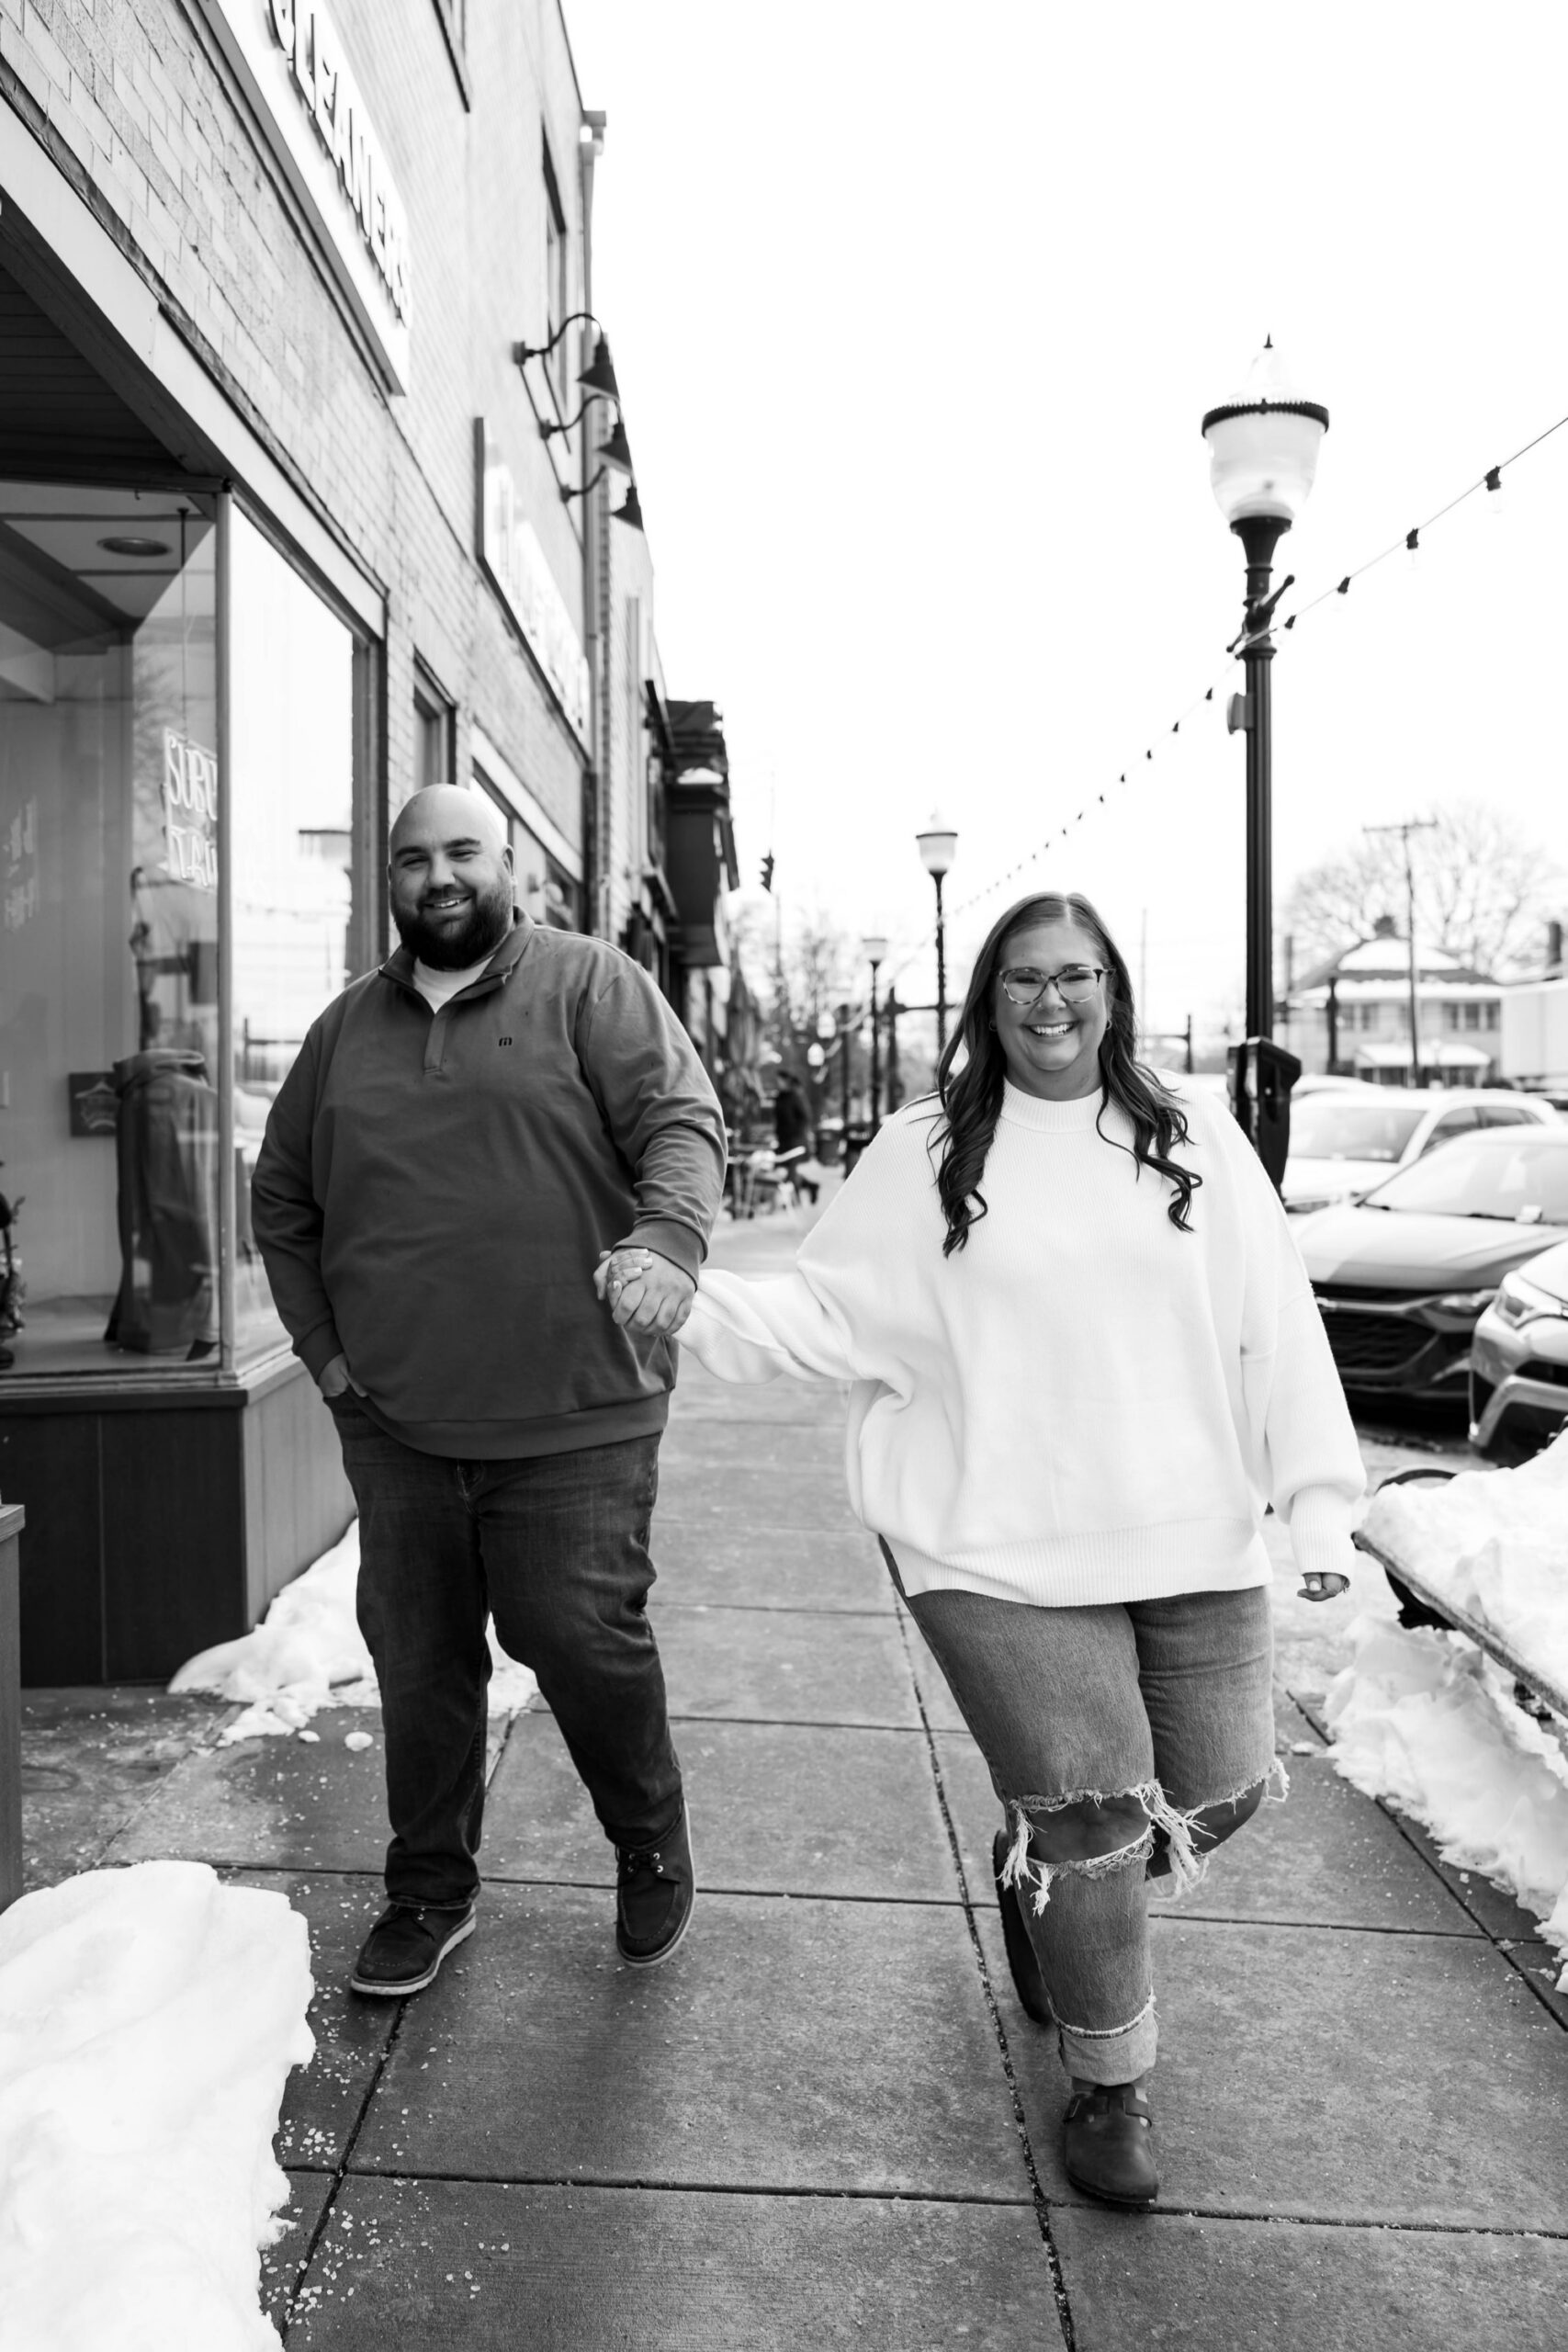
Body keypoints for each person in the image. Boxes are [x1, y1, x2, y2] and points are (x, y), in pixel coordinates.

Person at [600, 890, 1361, 2209]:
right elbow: (832, 1313)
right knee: (1093, 1821)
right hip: (989, 1542)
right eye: (1021, 979)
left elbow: (1273, 1327)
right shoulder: (926, 1150)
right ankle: (1109, 2083)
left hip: (1187, 1531)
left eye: (1073, 976)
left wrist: (1314, 1501)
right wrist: (690, 1302)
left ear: (1110, 989)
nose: (1048, 1002)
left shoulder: (1192, 1141)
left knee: (1219, 1789)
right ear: (987, 998)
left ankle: (1047, 1885)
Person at [253, 786, 725, 1999]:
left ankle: (647, 1837)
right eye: (413, 859)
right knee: (417, 1661)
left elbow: (679, 1117)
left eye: (461, 852)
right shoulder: (342, 1033)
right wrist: (327, 1356)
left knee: (573, 1636)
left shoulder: (591, 984)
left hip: (577, 1407)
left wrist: (669, 1240)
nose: (438, 877)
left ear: (504, 863)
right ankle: (428, 1888)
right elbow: (285, 1205)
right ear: (389, 881)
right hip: (399, 1422)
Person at [773, 1069, 819, 1204]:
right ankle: (809, 1187)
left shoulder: (795, 1097)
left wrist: (796, 1131)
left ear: (786, 1081)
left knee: (791, 1172)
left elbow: (806, 1117)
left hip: (795, 1140)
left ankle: (795, 1200)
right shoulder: (780, 1097)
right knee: (788, 1170)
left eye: (779, 1080)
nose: (777, 1083)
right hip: (783, 1140)